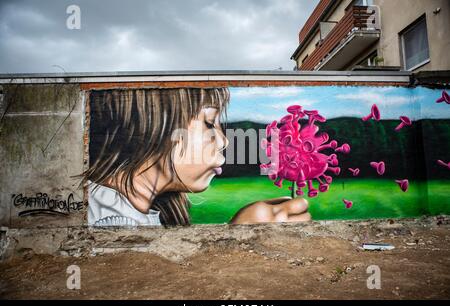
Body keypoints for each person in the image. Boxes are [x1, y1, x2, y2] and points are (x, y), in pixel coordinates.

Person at [84, 88, 311, 227]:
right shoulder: (115, 224)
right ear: (157, 126)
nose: (224, 141)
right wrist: (235, 242)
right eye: (209, 123)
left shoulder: (124, 211)